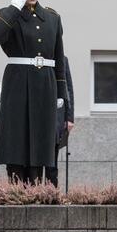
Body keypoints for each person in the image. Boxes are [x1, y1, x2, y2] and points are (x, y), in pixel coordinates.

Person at [0, 0, 67, 184]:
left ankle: (35, 188)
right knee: (16, 140)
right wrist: (15, 5)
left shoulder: (52, 17)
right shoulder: (6, 15)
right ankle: (16, 190)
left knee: (40, 143)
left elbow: (59, 61)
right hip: (18, 84)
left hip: (45, 85)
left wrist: (63, 99)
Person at [46, 55, 74, 188]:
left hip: (57, 117)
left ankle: (50, 195)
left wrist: (69, 117)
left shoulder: (62, 59)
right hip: (39, 115)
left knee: (52, 162)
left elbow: (68, 89)